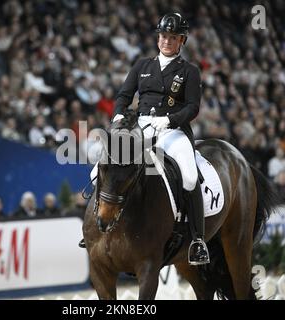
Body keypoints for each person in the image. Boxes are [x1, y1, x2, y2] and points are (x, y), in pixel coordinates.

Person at [80, 13, 209, 265]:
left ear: (181, 40)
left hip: (173, 131)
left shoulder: (189, 71)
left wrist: (170, 120)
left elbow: (193, 107)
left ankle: (197, 240)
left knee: (190, 176)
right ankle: (96, 229)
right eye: (163, 36)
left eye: (172, 38)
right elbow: (124, 95)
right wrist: (118, 116)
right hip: (139, 129)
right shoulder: (142, 66)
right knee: (98, 171)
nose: (166, 42)